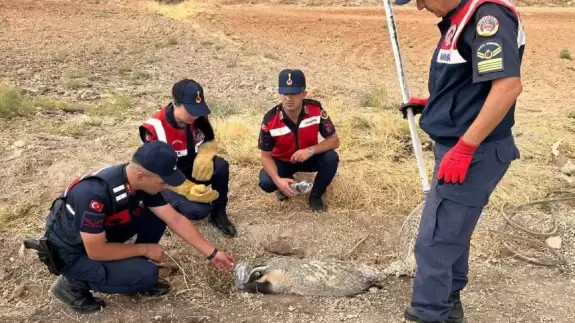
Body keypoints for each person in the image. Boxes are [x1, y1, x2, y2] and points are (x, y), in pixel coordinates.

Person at [392, 0, 525, 321]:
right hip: (462, 147)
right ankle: (449, 304)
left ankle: (429, 312)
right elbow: (466, 82)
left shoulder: (487, 18)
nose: (420, 7)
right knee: (452, 232)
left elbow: (507, 87)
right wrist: (435, 104)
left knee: (435, 241)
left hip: (473, 154)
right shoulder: (460, 18)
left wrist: (465, 147)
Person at [34, 141, 236, 313]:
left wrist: (213, 253)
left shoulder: (139, 182)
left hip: (98, 236)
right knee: (147, 274)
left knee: (156, 217)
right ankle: (72, 284)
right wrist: (145, 249)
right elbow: (96, 250)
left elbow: (174, 219)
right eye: (163, 182)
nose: (167, 186)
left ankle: (128, 270)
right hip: (74, 253)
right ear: (141, 175)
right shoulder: (94, 193)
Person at [139, 79, 236, 238]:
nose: (196, 114)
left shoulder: (198, 117)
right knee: (198, 211)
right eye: (190, 109)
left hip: (188, 168)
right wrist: (187, 189)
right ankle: (160, 211)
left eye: (198, 109)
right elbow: (157, 172)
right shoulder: (153, 129)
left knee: (220, 166)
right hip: (165, 180)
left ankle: (219, 214)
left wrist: (205, 155)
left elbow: (208, 139)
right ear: (175, 103)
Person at [258, 68, 340, 213]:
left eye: (294, 93)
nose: (289, 98)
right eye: (285, 93)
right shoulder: (270, 120)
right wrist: (278, 181)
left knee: (331, 158)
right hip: (282, 161)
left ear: (304, 94)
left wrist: (310, 150)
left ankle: (315, 196)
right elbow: (266, 157)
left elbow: (334, 141)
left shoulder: (315, 110)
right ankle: (285, 184)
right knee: (266, 181)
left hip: (308, 157)